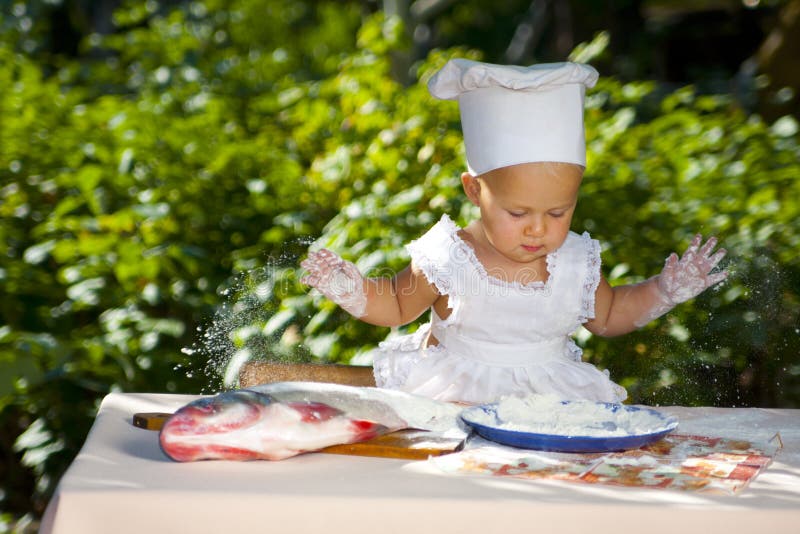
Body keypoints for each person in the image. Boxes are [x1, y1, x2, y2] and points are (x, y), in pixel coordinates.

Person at [301, 59, 727, 405]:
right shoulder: (450, 257)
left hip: (550, 407)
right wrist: (349, 288)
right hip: (454, 403)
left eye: (559, 212)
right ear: (474, 190)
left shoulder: (575, 262)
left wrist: (664, 290)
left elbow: (611, 315)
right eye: (518, 212)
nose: (539, 228)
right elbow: (394, 305)